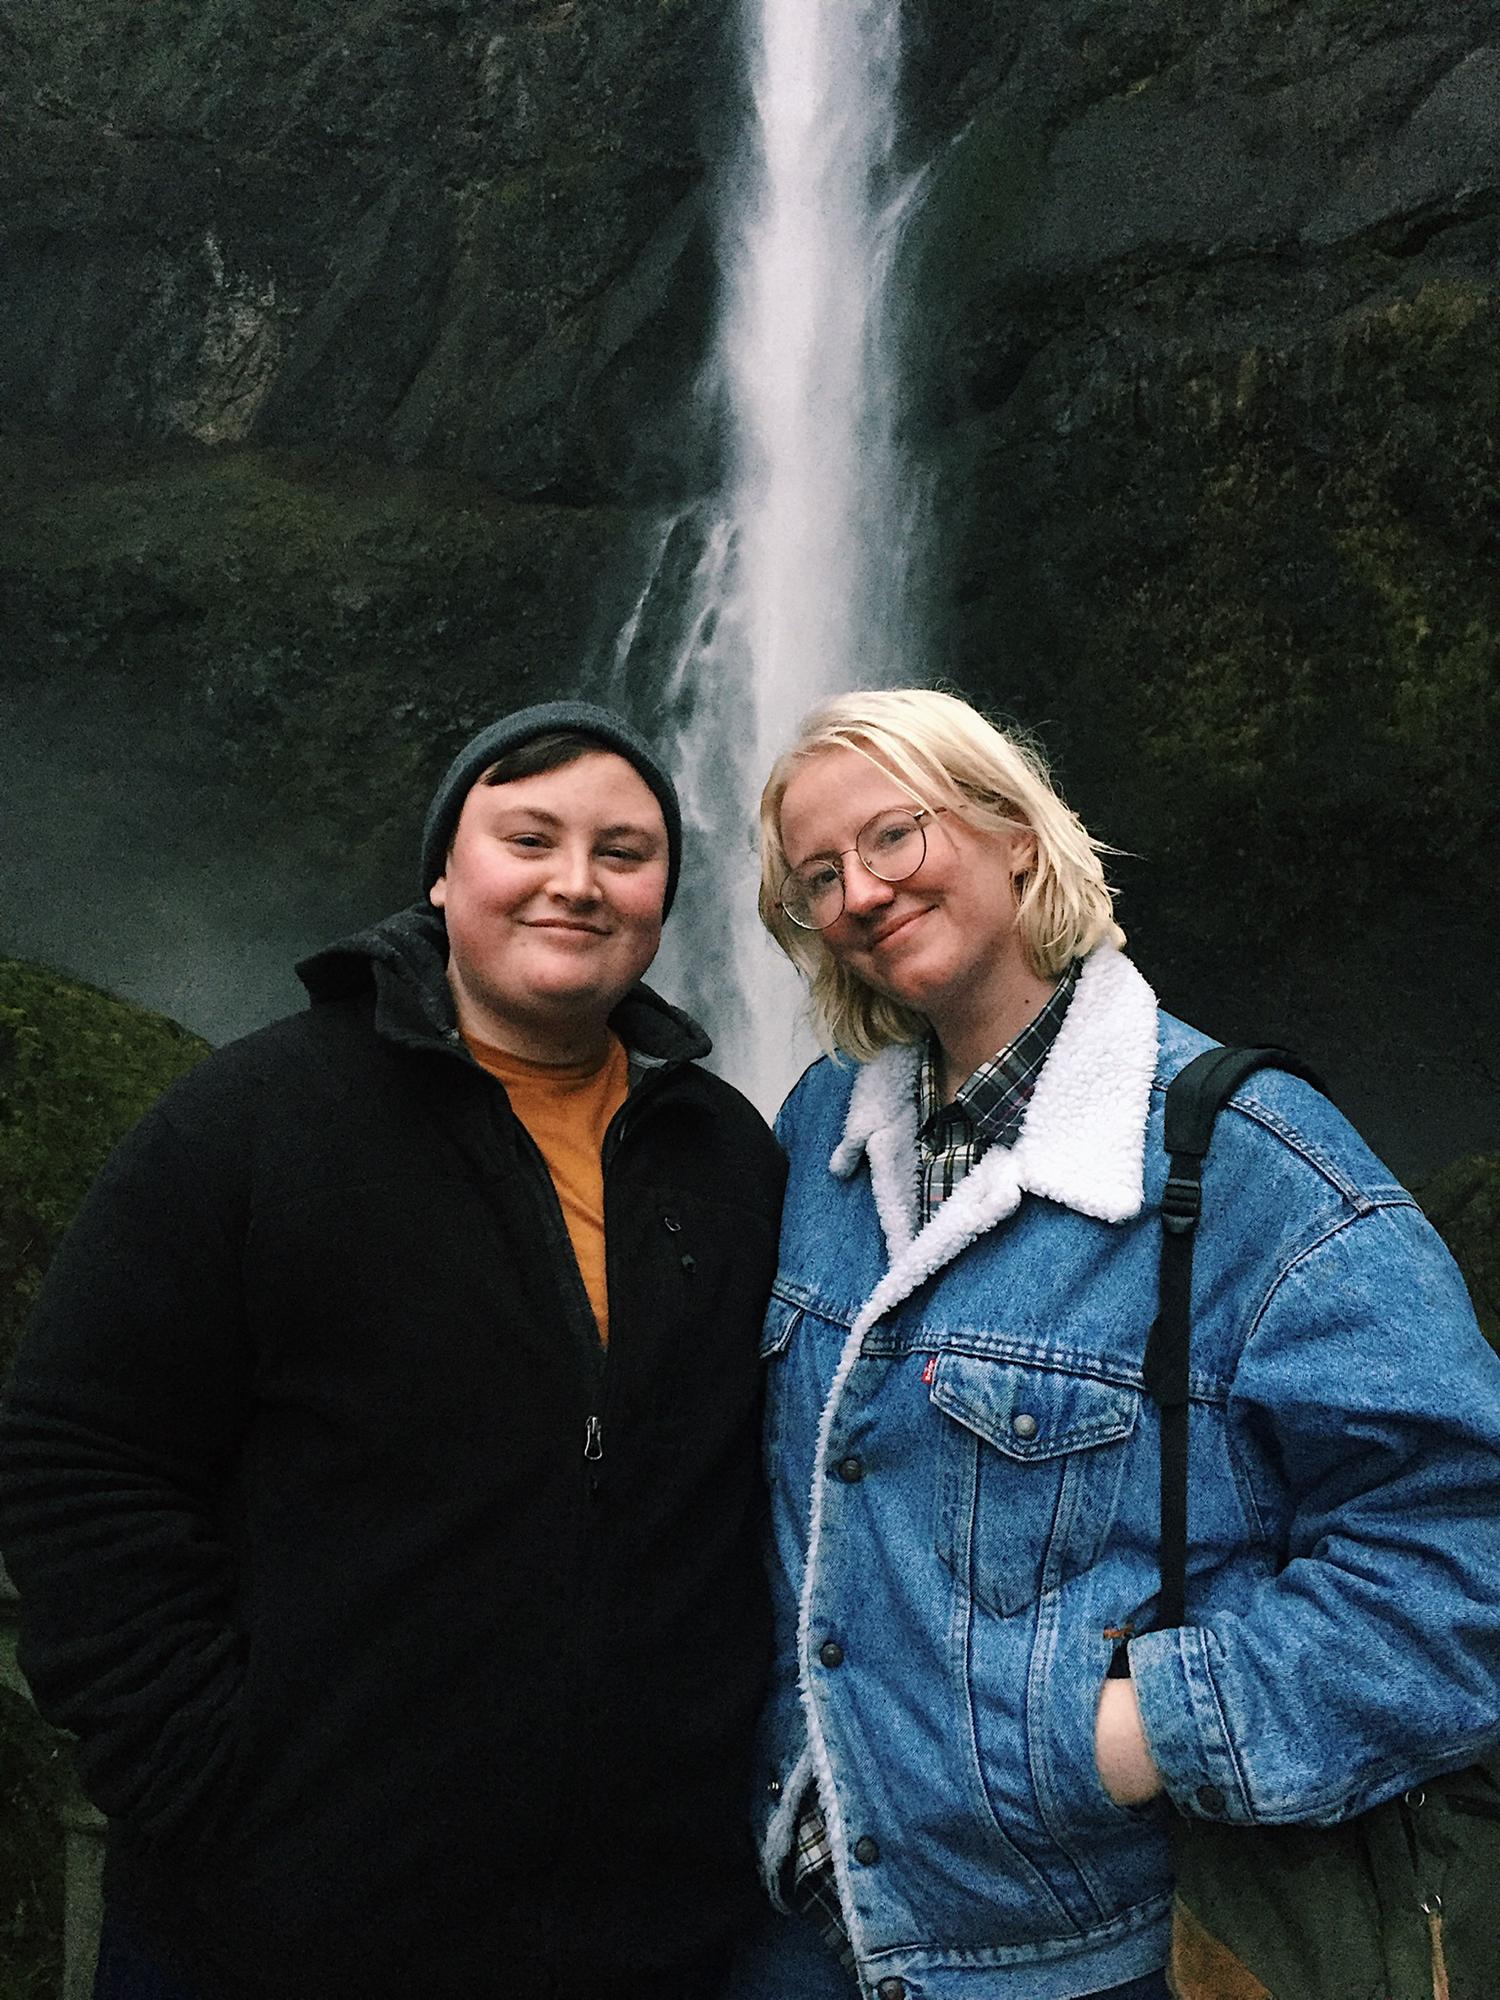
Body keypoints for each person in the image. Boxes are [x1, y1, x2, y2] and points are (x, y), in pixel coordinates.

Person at [0, 700, 786, 2000]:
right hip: (265, 1937)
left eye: (624, 851)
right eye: (528, 837)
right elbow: (78, 1448)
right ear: (441, 871)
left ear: (665, 895)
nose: (576, 881)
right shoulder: (255, 1120)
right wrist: (201, 1773)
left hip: (642, 1937)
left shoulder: (727, 1154)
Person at [725, 687, 1500, 2000]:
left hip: (1087, 1955)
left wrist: (1136, 1732)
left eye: (895, 835)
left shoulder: (1243, 1159)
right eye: (818, 878)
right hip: (807, 1922)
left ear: (1017, 834)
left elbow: (1464, 1560)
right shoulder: (818, 1136)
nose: (860, 891)